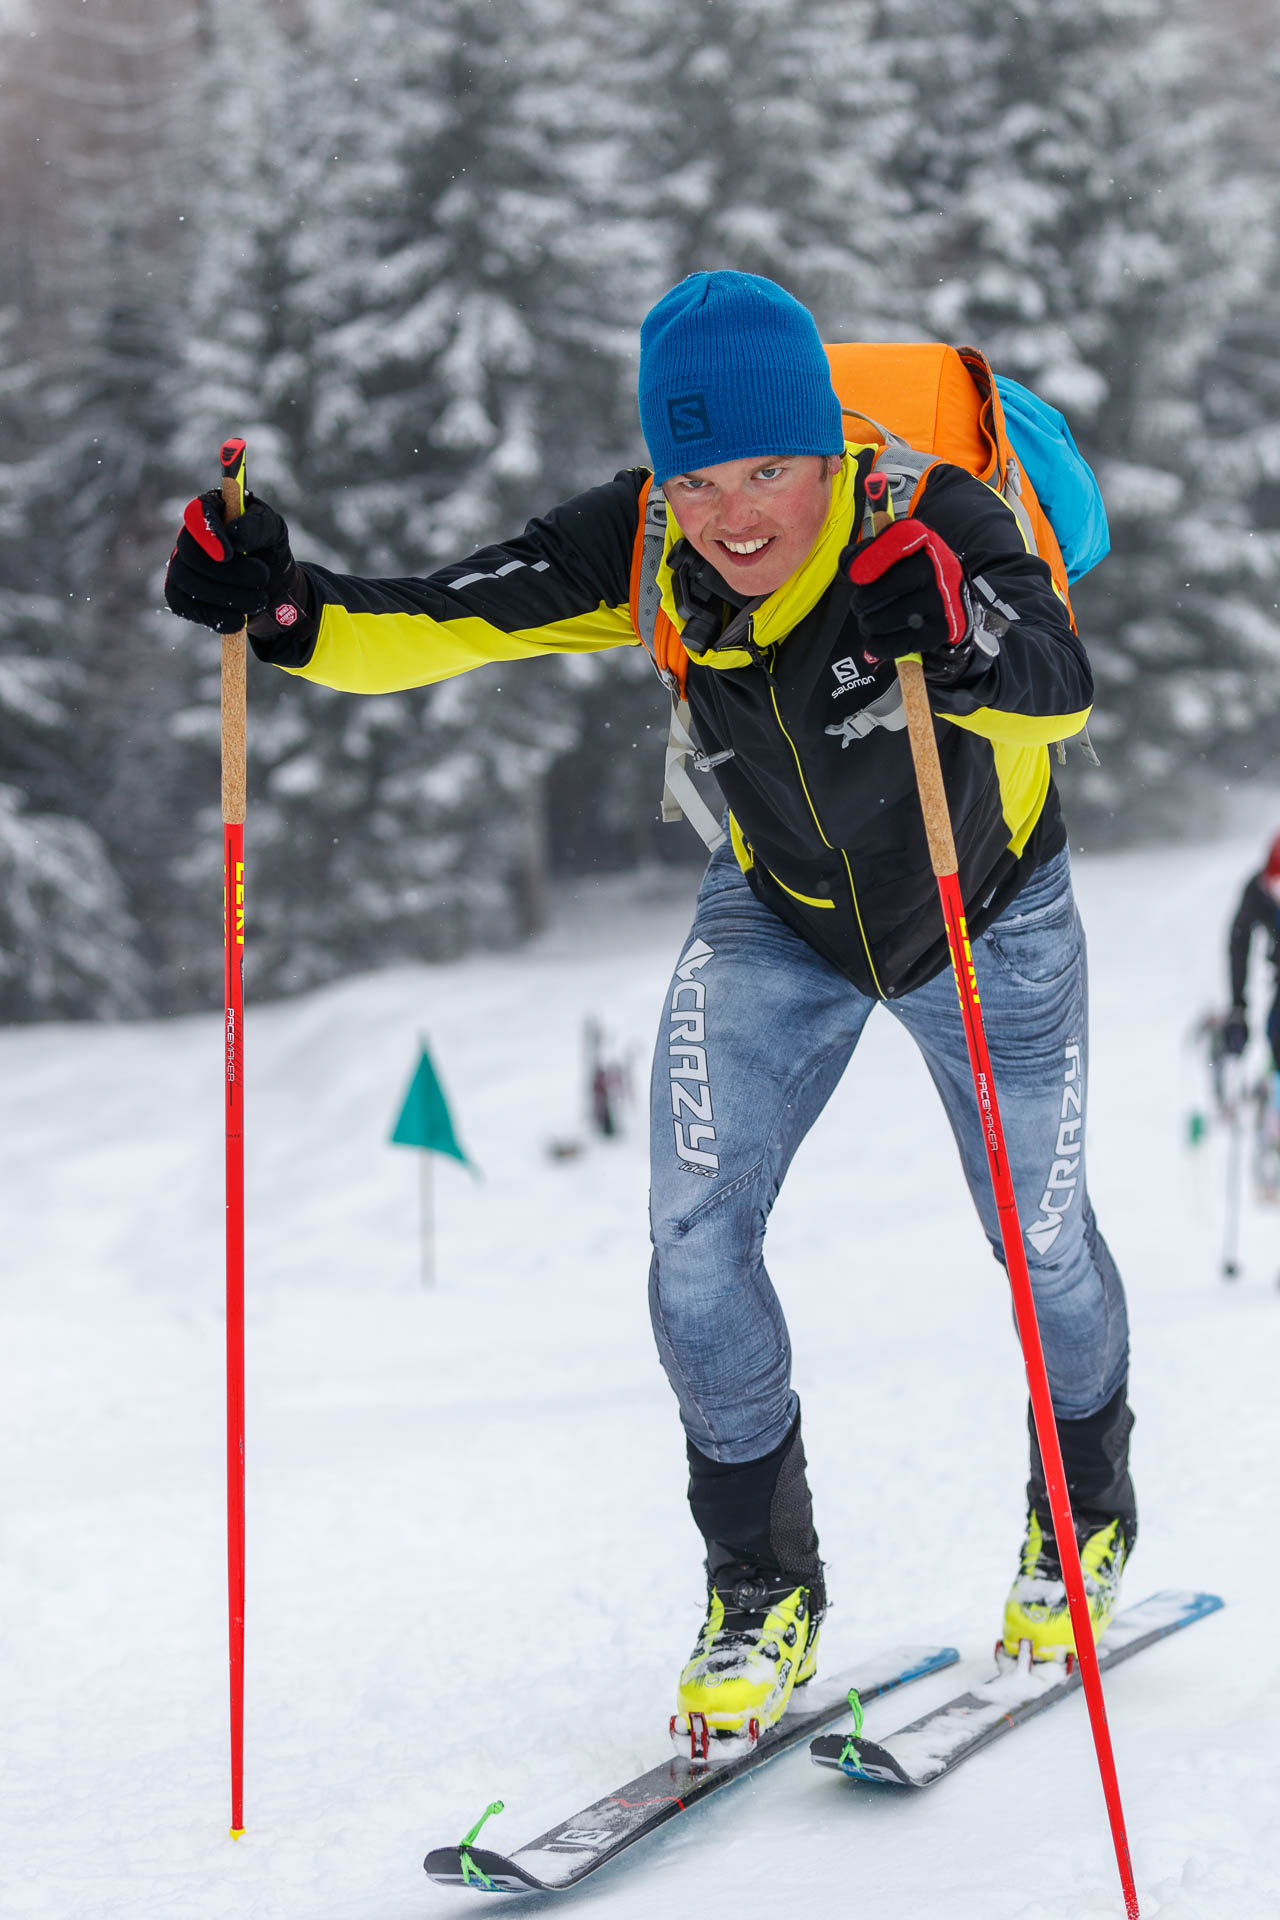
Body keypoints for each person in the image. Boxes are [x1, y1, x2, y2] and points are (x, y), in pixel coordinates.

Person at [165, 270, 1136, 1750]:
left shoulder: (928, 520)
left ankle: (1082, 1519)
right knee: (692, 1239)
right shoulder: (645, 549)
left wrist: (963, 642)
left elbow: (1061, 689)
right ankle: (763, 1591)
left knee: (1038, 1228)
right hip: (783, 914)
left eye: (768, 470)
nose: (737, 516)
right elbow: (430, 622)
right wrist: (281, 610)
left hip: (983, 911)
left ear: (829, 451)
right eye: (698, 480)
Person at [1222, 835, 1280, 1072]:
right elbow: (1239, 942)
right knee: (1275, 1030)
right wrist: (1238, 1007)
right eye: (1275, 885)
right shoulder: (1258, 893)